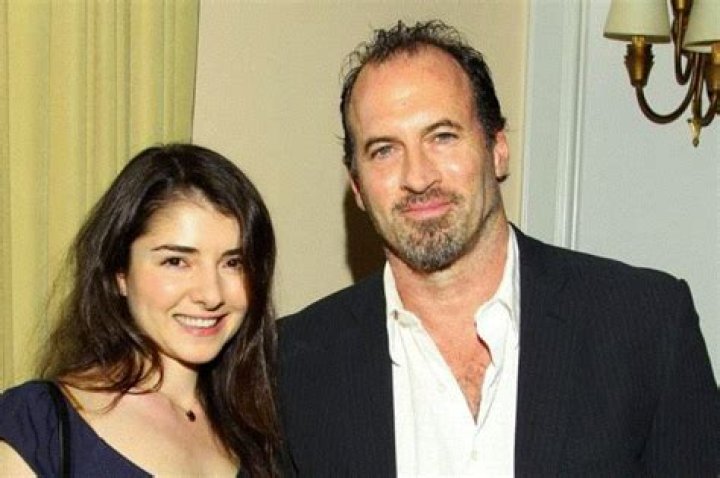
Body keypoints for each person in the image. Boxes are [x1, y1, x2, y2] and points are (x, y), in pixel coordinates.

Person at [277, 20, 720, 477]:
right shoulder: (293, 364)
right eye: (384, 150)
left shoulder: (645, 325)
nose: (418, 177)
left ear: (498, 149)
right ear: (357, 186)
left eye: (443, 136)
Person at [0, 144, 281, 477]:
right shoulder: (39, 425)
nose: (211, 294)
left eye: (233, 263)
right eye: (176, 261)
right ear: (120, 273)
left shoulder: (262, 430)